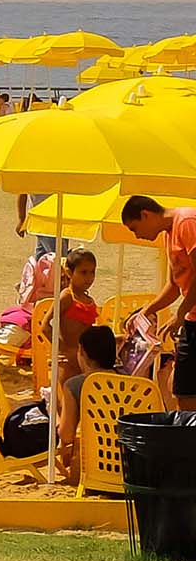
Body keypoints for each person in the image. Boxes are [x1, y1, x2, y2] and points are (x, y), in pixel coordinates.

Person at [124, 195, 196, 409]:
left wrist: (180, 314)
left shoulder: (186, 222)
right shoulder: (169, 233)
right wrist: (146, 311)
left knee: (184, 389)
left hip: (191, 317)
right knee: (181, 388)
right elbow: (175, 285)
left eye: (135, 228)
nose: (138, 235)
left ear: (146, 214)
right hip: (191, 318)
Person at [55, 323, 118, 484]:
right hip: (127, 465)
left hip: (91, 466)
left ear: (82, 351)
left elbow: (66, 435)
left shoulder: (75, 385)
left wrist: (55, 408)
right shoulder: (132, 382)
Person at [53, 249, 99, 387]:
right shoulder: (67, 297)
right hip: (68, 362)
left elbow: (88, 332)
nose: (89, 278)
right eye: (83, 272)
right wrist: (65, 350)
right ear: (69, 272)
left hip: (85, 360)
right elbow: (46, 326)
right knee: (66, 399)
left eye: (92, 272)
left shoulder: (88, 300)